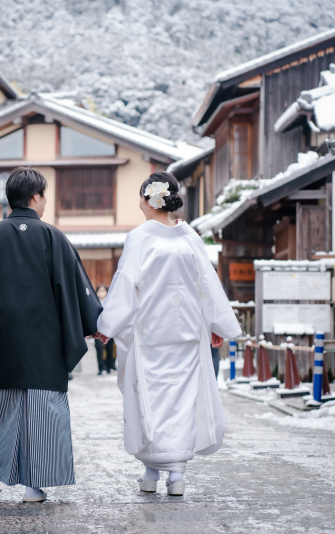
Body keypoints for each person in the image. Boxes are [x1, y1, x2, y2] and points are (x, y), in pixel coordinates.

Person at [0, 167, 102, 503]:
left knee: (2, 408)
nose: (45, 202)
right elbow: (74, 290)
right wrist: (95, 325)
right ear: (35, 197)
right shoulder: (53, 237)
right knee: (44, 413)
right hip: (46, 345)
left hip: (1, 341)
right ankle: (35, 486)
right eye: (44, 195)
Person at [94, 171, 241, 497]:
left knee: (151, 399)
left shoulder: (140, 237)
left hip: (149, 338)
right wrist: (218, 326)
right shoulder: (190, 238)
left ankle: (150, 471)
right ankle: (177, 475)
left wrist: (107, 326)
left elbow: (125, 286)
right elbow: (208, 285)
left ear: (149, 199)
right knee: (181, 402)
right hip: (186, 334)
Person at [95, 286, 117, 375]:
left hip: (109, 329)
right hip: (97, 329)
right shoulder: (94, 302)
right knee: (99, 349)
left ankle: (108, 366)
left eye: (103, 291)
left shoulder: (110, 302)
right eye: (99, 291)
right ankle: (101, 368)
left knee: (109, 348)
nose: (101, 293)